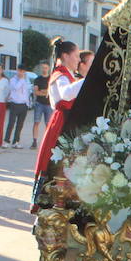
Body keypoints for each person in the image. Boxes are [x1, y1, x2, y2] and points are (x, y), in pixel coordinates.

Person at [30, 39, 83, 202]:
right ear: (66, 56)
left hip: (65, 121)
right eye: (76, 56)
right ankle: (50, 200)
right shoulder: (60, 74)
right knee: (55, 162)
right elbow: (66, 94)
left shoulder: (66, 74)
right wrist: (88, 79)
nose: (78, 60)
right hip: (60, 123)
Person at [5, 63, 32, 147]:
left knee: (20, 125)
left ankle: (16, 141)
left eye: (23, 71)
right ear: (17, 70)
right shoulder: (13, 80)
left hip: (23, 105)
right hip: (15, 104)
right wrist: (21, 80)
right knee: (11, 123)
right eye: (20, 71)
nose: (21, 73)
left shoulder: (27, 80)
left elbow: (27, 92)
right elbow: (15, 88)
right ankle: (6, 141)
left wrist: (28, 104)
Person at [31, 63, 51, 148]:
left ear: (49, 68)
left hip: (49, 104)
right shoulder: (37, 79)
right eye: (43, 68)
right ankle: (34, 141)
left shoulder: (51, 79)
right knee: (36, 122)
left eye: (46, 68)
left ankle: (47, 142)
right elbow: (36, 92)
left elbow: (51, 92)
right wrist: (46, 92)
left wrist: (43, 91)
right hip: (39, 103)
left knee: (48, 124)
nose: (44, 69)